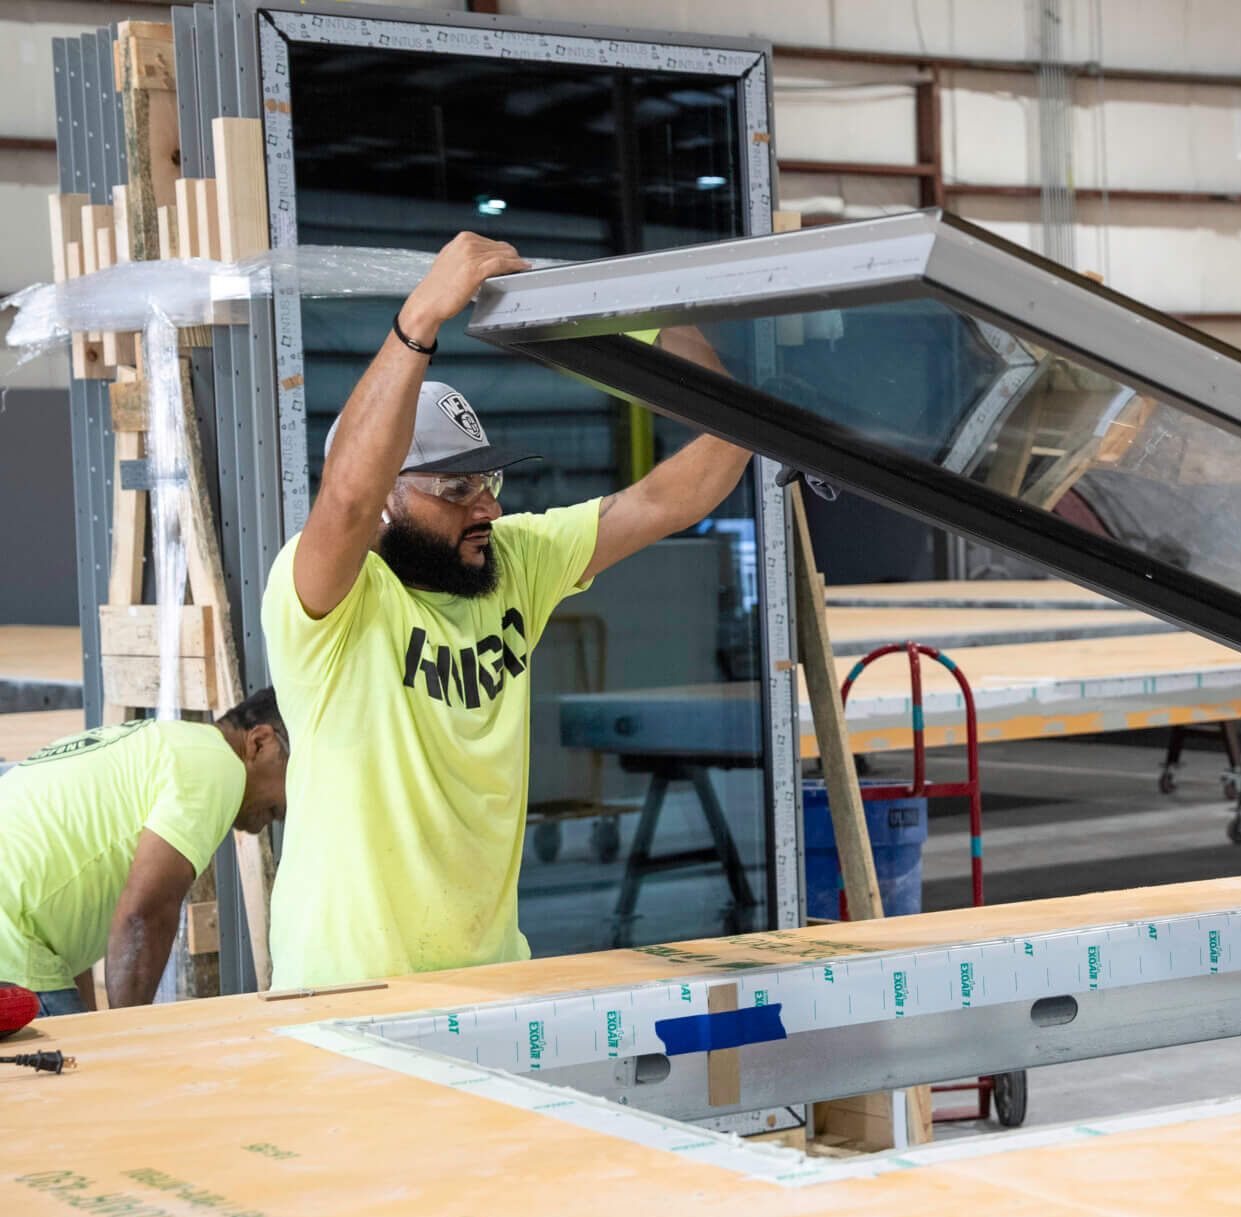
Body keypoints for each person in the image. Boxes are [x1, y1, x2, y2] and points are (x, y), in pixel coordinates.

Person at [262, 232, 753, 988]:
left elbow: (682, 486)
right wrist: (420, 316)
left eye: (487, 479)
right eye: (455, 489)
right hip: (349, 984)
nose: (486, 504)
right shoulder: (331, 604)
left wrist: (651, 317)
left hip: (489, 978)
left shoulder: (514, 563)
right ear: (390, 501)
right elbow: (348, 494)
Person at [0, 693, 290, 1014]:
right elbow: (146, 913)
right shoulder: (215, 763)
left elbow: (65, 919)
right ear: (261, 742)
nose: (290, 807)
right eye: (299, 774)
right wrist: (130, 1037)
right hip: (12, 939)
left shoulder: (155, 745)